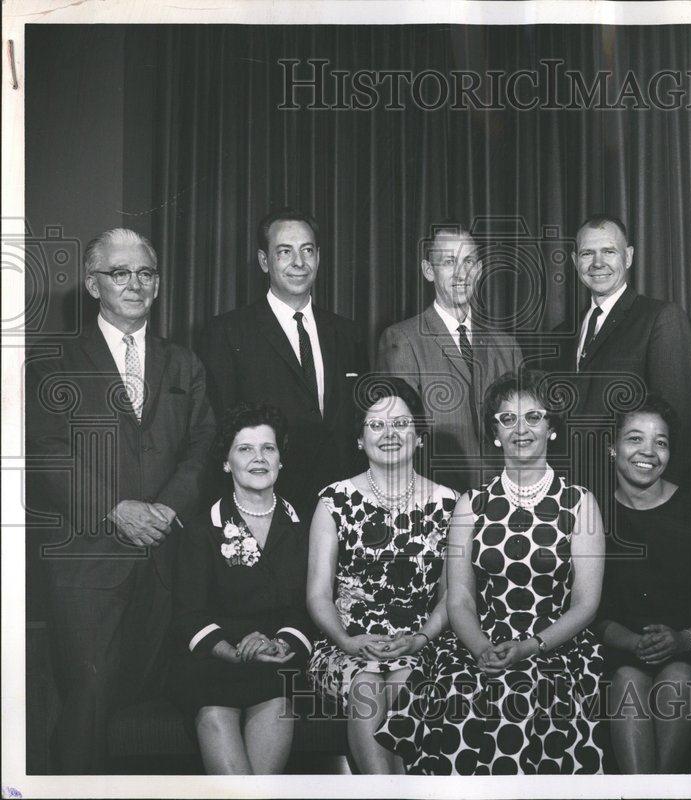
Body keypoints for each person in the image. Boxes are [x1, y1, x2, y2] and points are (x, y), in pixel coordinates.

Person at [25, 227, 215, 773]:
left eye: (147, 273)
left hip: (168, 564)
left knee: (165, 717)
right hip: (90, 568)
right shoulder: (54, 361)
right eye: (121, 273)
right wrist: (117, 510)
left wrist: (167, 508)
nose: (136, 284)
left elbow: (204, 444)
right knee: (87, 709)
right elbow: (46, 452)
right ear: (92, 284)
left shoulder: (184, 363)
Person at [375, 369, 606, 775]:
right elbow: (460, 597)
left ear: (552, 429)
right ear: (494, 432)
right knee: (459, 694)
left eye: (534, 417)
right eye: (507, 418)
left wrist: (529, 648)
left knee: (517, 694)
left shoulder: (580, 503)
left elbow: (586, 605)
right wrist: (481, 647)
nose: (521, 429)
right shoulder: (471, 505)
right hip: (479, 643)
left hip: (556, 646)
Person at [307, 376, 457, 774]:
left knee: (407, 681)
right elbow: (318, 595)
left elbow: (452, 596)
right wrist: (348, 641)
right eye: (376, 425)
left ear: (419, 436)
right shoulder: (334, 500)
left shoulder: (450, 504)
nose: (389, 434)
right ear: (359, 439)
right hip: (347, 643)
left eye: (401, 424)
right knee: (367, 685)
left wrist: (419, 638)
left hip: (421, 641)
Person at [595, 395, 691, 773]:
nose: (649, 451)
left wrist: (682, 639)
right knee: (626, 680)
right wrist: (632, 643)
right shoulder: (593, 515)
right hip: (620, 652)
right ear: (613, 448)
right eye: (635, 439)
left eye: (661, 442)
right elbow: (594, 609)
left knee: (678, 678)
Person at [169, 402, 312, 774]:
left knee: (279, 706)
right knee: (215, 711)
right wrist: (232, 650)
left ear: (281, 460)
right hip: (215, 662)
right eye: (245, 449)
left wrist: (281, 643)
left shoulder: (305, 526)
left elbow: (311, 604)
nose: (258, 458)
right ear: (226, 462)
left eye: (269, 448)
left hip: (278, 662)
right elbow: (188, 614)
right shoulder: (202, 529)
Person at [199, 207, 368, 518]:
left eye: (307, 251)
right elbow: (221, 427)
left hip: (343, 505)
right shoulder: (228, 332)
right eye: (285, 252)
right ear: (265, 261)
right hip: (265, 505)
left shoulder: (348, 333)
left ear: (318, 256)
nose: (299, 263)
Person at [551, 214, 691, 487]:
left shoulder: (659, 318)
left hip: (631, 496)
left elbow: (678, 423)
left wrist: (657, 502)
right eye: (587, 254)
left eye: (608, 251)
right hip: (569, 493)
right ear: (574, 261)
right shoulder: (562, 333)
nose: (597, 263)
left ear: (628, 257)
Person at [376, 221, 523, 492]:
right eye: (449, 262)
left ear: (479, 270)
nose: (461, 273)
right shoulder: (402, 339)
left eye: (468, 261)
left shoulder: (507, 346)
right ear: (428, 271)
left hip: (502, 498)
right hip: (433, 498)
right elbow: (399, 435)